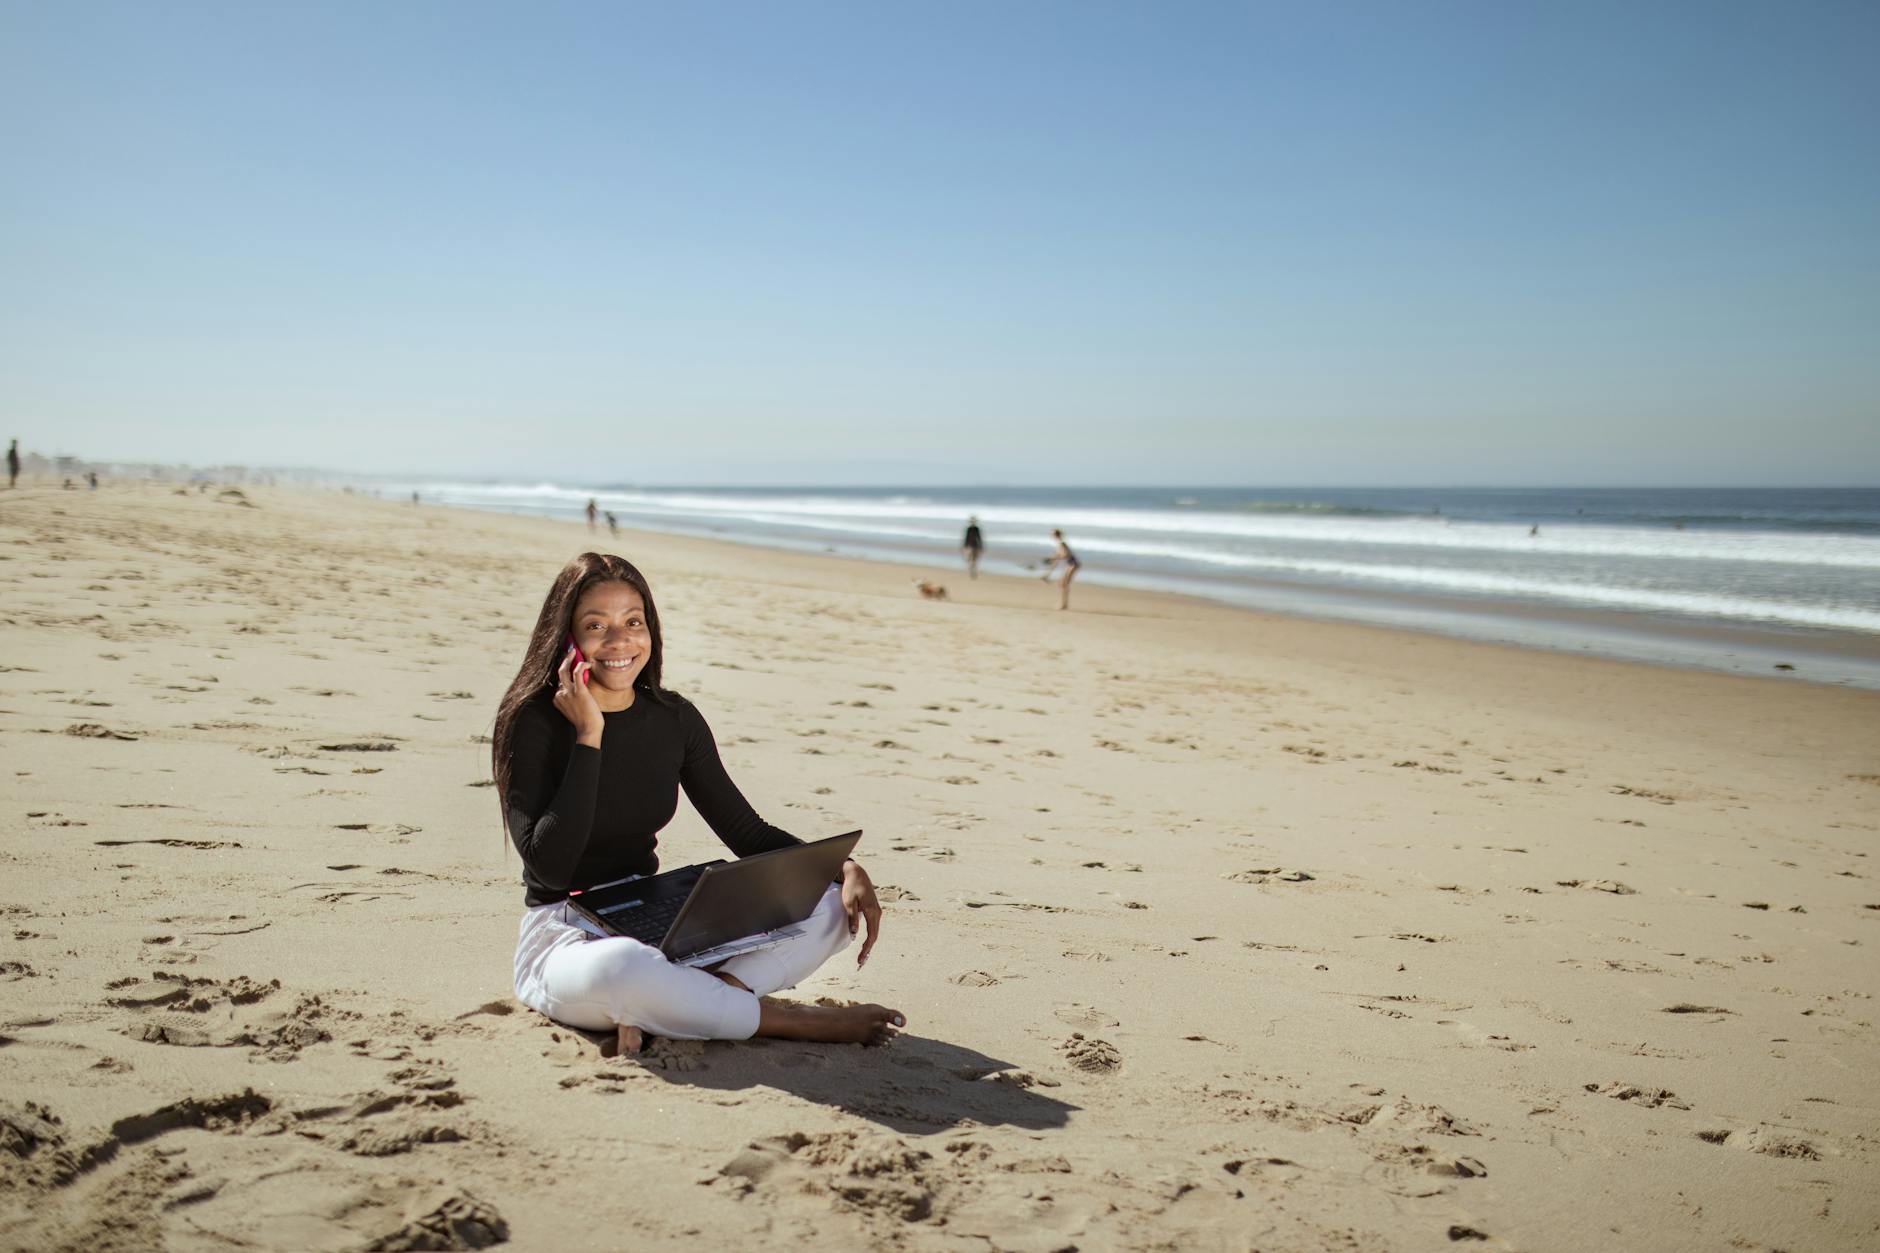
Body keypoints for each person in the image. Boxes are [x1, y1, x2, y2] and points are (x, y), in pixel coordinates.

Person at [493, 552, 905, 1055]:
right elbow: (552, 868)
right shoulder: (530, 722)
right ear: (567, 638)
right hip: (564, 933)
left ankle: (692, 1004)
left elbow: (747, 833)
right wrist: (589, 736)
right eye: (595, 625)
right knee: (624, 969)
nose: (618, 641)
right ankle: (790, 1020)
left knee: (830, 905)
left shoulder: (674, 719)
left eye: (632, 622)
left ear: (651, 631)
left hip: (662, 919)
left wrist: (842, 866)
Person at [1042, 528, 1080, 611]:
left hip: (1072, 564)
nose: (1051, 536)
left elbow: (1066, 555)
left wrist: (1053, 558)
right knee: (1062, 584)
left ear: (1056, 535)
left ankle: (1064, 605)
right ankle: (1064, 604)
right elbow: (1056, 561)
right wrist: (1048, 573)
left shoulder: (1062, 544)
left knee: (1063, 584)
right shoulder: (1059, 544)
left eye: (1053, 534)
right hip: (1070, 565)